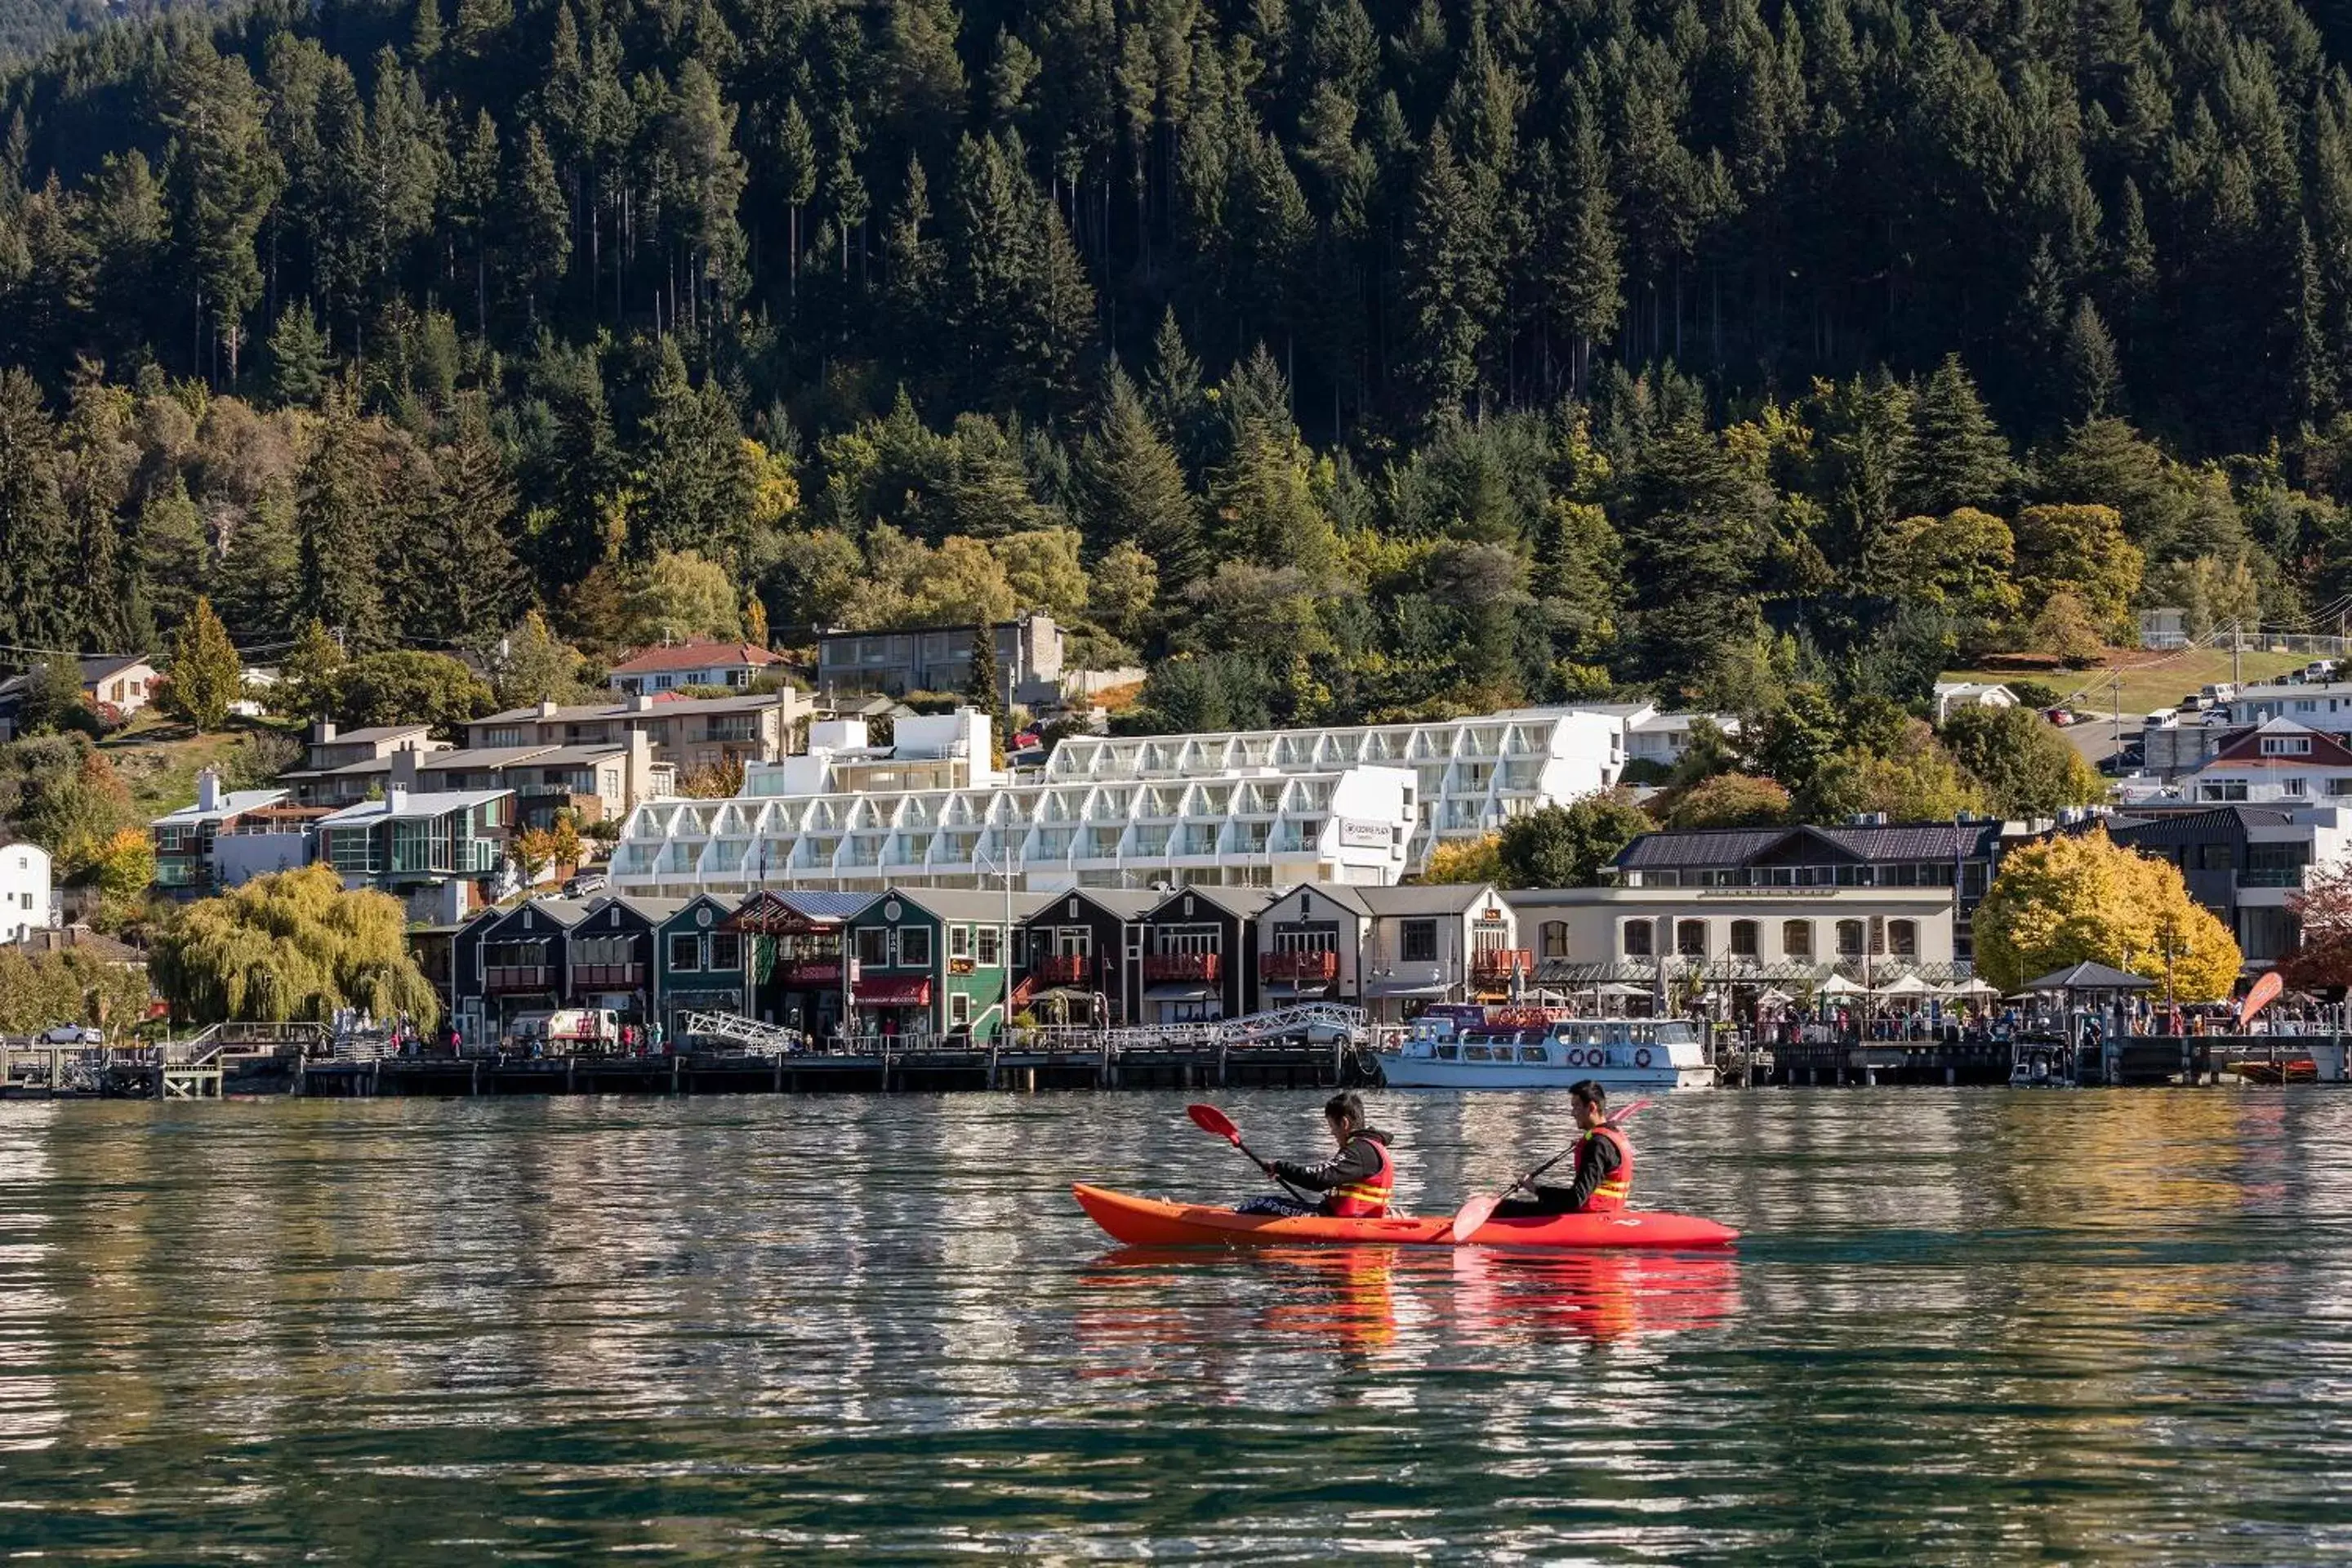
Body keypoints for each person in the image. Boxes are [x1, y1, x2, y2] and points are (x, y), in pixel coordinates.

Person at [1235, 1092, 1395, 1218]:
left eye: (1332, 1126)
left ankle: (1228, 1222)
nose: (1332, 1132)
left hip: (1343, 1223)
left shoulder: (1359, 1150)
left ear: (1345, 1124)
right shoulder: (1372, 1147)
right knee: (1277, 1203)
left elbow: (1320, 1178)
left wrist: (1280, 1167)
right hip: (1349, 1218)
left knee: (1262, 1203)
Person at [1492, 1080, 1632, 1218]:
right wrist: (1585, 1143)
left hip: (1590, 1216)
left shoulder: (1598, 1145)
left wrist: (1535, 1189)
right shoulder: (1612, 1134)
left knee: (1503, 1209)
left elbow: (1576, 1198)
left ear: (1591, 1108)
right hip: (1607, 1212)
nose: (1572, 1113)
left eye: (1576, 1107)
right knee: (1512, 1206)